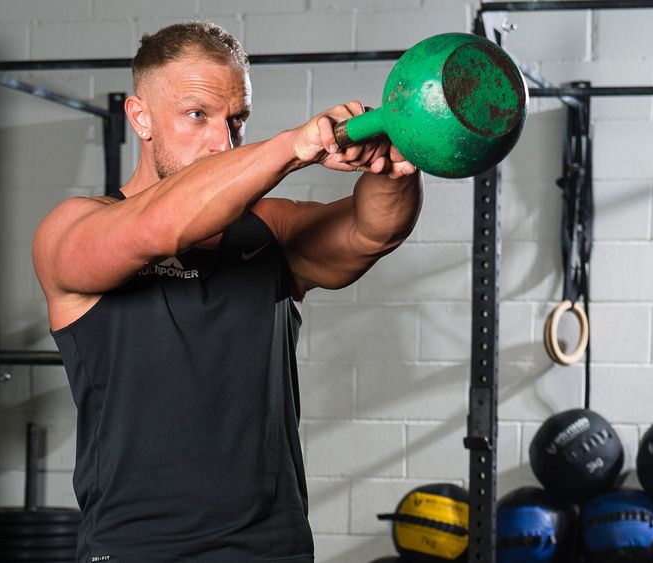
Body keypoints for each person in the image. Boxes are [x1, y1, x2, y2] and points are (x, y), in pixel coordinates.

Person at [33, 21, 422, 563]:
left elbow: (372, 231)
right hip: (136, 550)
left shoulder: (273, 232)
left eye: (237, 119)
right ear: (140, 117)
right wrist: (295, 145)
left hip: (272, 547)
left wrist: (394, 167)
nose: (223, 139)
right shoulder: (76, 228)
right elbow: (160, 229)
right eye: (198, 115)